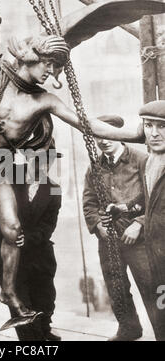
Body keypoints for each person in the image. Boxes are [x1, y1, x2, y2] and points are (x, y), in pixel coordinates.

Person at [0, 34, 146, 326]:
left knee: (12, 227)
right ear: (30, 58)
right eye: (48, 64)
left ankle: (9, 294)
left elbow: (87, 124)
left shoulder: (44, 100)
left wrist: (136, 134)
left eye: (56, 67)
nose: (51, 72)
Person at [82, 115, 159, 341]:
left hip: (140, 241)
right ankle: (129, 329)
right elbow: (89, 203)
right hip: (108, 240)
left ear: (118, 134)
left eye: (107, 135)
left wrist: (139, 224)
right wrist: (98, 226)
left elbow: (156, 201)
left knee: (152, 287)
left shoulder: (142, 160)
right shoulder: (94, 167)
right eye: (97, 136)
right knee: (116, 287)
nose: (103, 141)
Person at [101, 100, 165, 341]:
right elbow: (149, 198)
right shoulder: (153, 161)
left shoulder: (143, 159)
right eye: (149, 125)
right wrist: (124, 207)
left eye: (162, 126)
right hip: (157, 251)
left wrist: (139, 222)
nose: (154, 133)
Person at [0, 151, 62, 340]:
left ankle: (44, 331)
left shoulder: (53, 188)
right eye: (37, 160)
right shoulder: (8, 180)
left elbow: (48, 226)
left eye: (47, 161)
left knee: (45, 300)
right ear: (27, 159)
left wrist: (28, 239)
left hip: (40, 256)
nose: (42, 165)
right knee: (21, 308)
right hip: (10, 261)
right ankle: (32, 341)